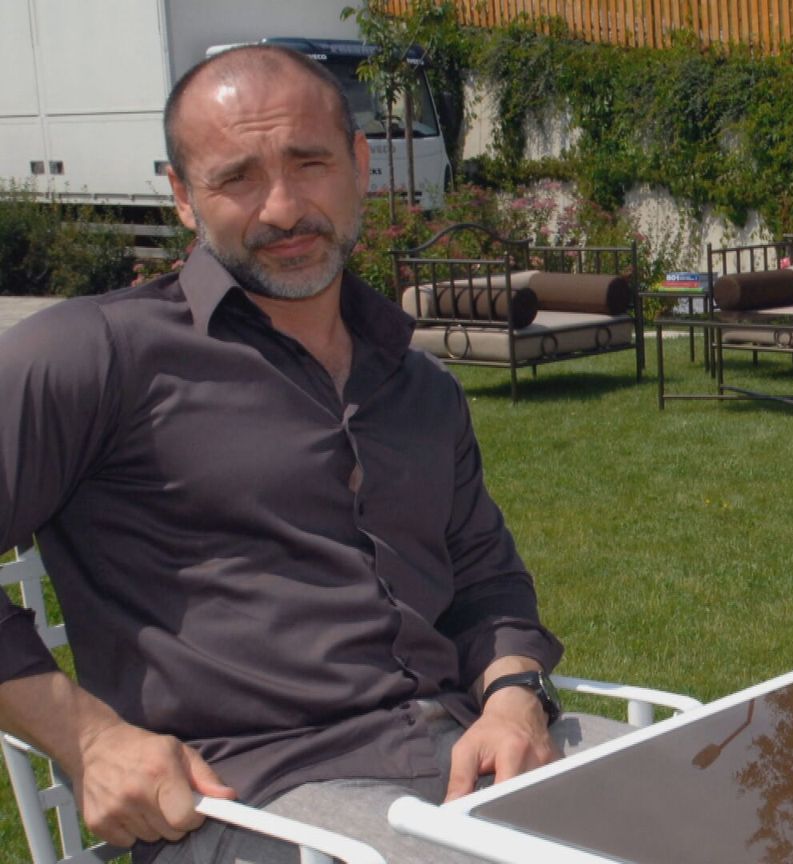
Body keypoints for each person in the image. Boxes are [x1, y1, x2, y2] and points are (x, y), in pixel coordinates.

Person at [0, 45, 625, 863]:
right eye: (237, 178)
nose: (284, 208)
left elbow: (484, 579)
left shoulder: (417, 384)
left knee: (726, 801)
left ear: (360, 166)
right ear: (184, 197)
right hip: (254, 800)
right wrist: (87, 738)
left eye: (309, 163)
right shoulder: (94, 357)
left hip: (464, 754)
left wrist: (513, 696)